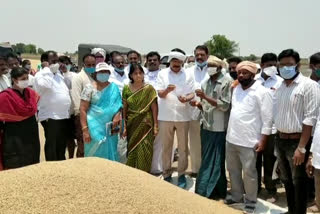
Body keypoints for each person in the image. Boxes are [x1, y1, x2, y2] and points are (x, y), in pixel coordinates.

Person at [273, 49, 320, 214]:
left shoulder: (309, 86)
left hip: (297, 141)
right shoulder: (280, 87)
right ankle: (291, 210)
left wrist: (301, 147)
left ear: (298, 65)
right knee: (286, 180)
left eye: (290, 64)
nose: (285, 68)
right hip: (280, 139)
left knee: (299, 183)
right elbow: (277, 114)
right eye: (282, 65)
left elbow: (310, 119)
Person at [225, 61, 273, 213]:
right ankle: (237, 196)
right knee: (232, 170)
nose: (240, 75)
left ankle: (251, 200)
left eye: (245, 73)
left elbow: (268, 119)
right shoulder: (236, 88)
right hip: (232, 138)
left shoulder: (262, 92)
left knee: (249, 173)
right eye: (239, 72)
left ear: (253, 75)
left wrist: (263, 140)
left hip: (250, 141)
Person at [190, 62, 232, 199]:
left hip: (220, 127)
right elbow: (206, 106)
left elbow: (225, 105)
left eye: (212, 66)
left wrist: (205, 97)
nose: (209, 69)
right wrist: (198, 104)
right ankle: (207, 189)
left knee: (217, 160)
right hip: (207, 126)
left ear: (219, 68)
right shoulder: (206, 82)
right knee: (207, 158)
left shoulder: (227, 82)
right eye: (208, 66)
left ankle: (210, 190)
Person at [156, 51, 195, 188]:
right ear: (170, 62)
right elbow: (160, 93)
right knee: (166, 146)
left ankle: (181, 174)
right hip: (165, 115)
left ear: (182, 62)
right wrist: (167, 90)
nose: (176, 64)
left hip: (183, 115)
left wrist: (186, 98)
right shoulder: (162, 74)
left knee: (183, 147)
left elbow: (192, 93)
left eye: (179, 61)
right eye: (174, 61)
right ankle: (166, 173)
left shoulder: (188, 74)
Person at [255, 53, 283, 202]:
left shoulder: (280, 82)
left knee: (270, 160)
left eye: (274, 64)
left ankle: (271, 190)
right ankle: (255, 188)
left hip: (272, 128)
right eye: (268, 65)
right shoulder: (253, 80)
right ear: (262, 65)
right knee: (254, 160)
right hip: (254, 128)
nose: (272, 68)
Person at [34, 51, 71, 161]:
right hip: (51, 116)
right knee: (52, 144)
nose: (57, 64)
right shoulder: (40, 75)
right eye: (53, 61)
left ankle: (60, 167)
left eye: (57, 61)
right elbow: (45, 85)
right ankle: (51, 168)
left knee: (61, 144)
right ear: (45, 62)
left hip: (62, 115)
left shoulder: (58, 75)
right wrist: (47, 70)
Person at [80, 62, 122, 160]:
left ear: (109, 73)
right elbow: (82, 109)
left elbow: (119, 105)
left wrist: (117, 114)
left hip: (111, 128)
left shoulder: (114, 88)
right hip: (93, 128)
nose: (103, 74)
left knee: (110, 151)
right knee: (94, 153)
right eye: (101, 72)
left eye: (105, 71)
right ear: (96, 73)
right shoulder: (89, 88)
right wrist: (85, 130)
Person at [0, 67, 40, 169]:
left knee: (32, 162)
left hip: (31, 133)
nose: (25, 81)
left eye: (27, 78)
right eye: (23, 79)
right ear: (14, 79)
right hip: (14, 135)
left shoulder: (31, 94)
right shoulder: (5, 97)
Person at [122, 63, 158, 172]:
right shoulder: (126, 88)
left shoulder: (149, 89)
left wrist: (156, 125)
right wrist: (124, 126)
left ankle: (144, 174)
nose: (138, 75)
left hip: (146, 123)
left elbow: (154, 107)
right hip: (132, 122)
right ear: (131, 75)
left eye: (140, 73)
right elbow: (124, 108)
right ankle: (132, 174)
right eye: (135, 73)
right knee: (132, 148)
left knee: (146, 148)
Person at [187, 45, 210, 177]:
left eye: (202, 55)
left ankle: (207, 170)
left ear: (207, 55)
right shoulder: (189, 71)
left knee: (208, 142)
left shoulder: (213, 70)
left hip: (210, 112)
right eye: (197, 55)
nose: (200, 57)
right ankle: (196, 170)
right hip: (193, 111)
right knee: (194, 142)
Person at [71, 54, 96, 158]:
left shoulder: (94, 76)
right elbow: (76, 99)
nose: (91, 67)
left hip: (93, 117)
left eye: (93, 65)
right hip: (82, 116)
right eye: (88, 65)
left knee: (91, 144)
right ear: (83, 64)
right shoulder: (78, 77)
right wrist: (82, 116)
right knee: (82, 144)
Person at [144, 51, 162, 174]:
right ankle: (145, 166)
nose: (152, 62)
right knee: (146, 140)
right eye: (150, 60)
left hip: (162, 112)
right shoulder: (142, 75)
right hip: (145, 113)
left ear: (159, 62)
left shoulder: (164, 74)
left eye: (154, 60)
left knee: (160, 141)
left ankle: (157, 168)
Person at [59, 55, 77, 159]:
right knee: (64, 138)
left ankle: (71, 157)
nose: (64, 65)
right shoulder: (56, 76)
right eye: (61, 63)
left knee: (72, 137)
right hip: (61, 113)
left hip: (73, 111)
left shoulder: (74, 76)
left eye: (66, 63)